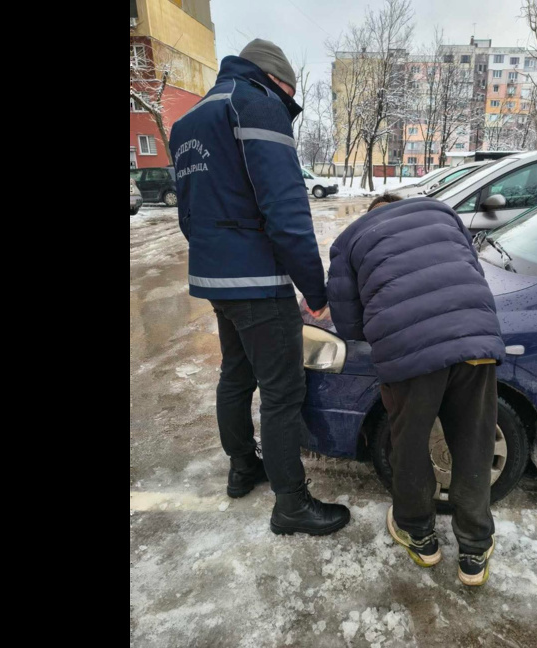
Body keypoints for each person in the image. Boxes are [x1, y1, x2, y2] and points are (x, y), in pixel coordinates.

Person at [169, 39, 349, 537]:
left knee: (236, 373)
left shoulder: (188, 122)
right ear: (275, 79)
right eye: (289, 98)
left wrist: (217, 258)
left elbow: (188, 214)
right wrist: (315, 290)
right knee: (283, 390)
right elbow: (286, 211)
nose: (286, 107)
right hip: (258, 282)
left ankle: (243, 467)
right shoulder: (256, 103)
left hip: (216, 279)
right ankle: (291, 503)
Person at [326, 194, 505, 586]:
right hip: (474, 342)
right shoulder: (442, 214)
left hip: (408, 357)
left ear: (372, 214)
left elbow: (348, 322)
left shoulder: (350, 240)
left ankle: (419, 534)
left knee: (408, 444)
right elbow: (472, 270)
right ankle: (474, 549)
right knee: (475, 444)